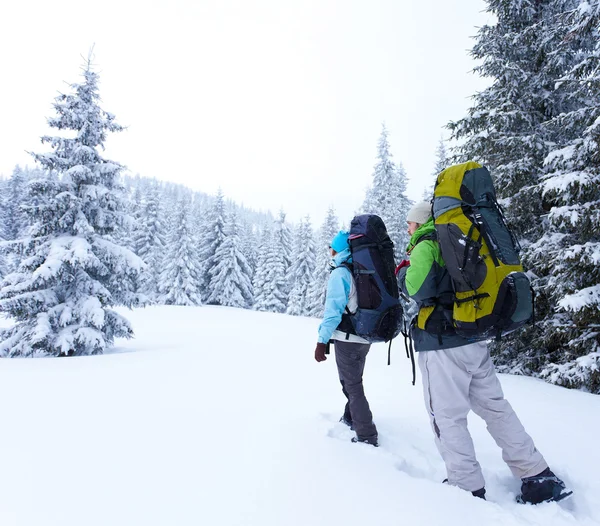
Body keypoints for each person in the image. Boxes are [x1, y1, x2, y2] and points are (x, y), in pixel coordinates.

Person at [395, 201, 570, 504]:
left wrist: (401, 275)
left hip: (443, 346)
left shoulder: (426, 243)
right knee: (496, 409)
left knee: (447, 417)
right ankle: (537, 474)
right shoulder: (461, 237)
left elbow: (417, 288)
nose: (408, 228)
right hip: (473, 338)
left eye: (410, 223)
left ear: (419, 222)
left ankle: (465, 486)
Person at [314, 230, 378, 447]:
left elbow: (333, 312)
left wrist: (321, 341)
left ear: (338, 250)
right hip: (364, 337)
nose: (329, 251)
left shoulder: (340, 273)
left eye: (331, 247)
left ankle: (367, 434)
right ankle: (351, 417)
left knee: (351, 384)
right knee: (353, 381)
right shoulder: (360, 270)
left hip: (348, 338)